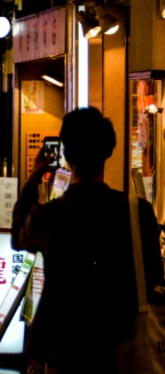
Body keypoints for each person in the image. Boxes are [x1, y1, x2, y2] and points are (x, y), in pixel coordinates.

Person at [12, 107, 163, 374]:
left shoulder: (47, 216)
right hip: (121, 345)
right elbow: (154, 276)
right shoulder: (136, 210)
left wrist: (33, 181)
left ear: (66, 155)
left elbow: (17, 238)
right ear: (108, 151)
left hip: (65, 345)